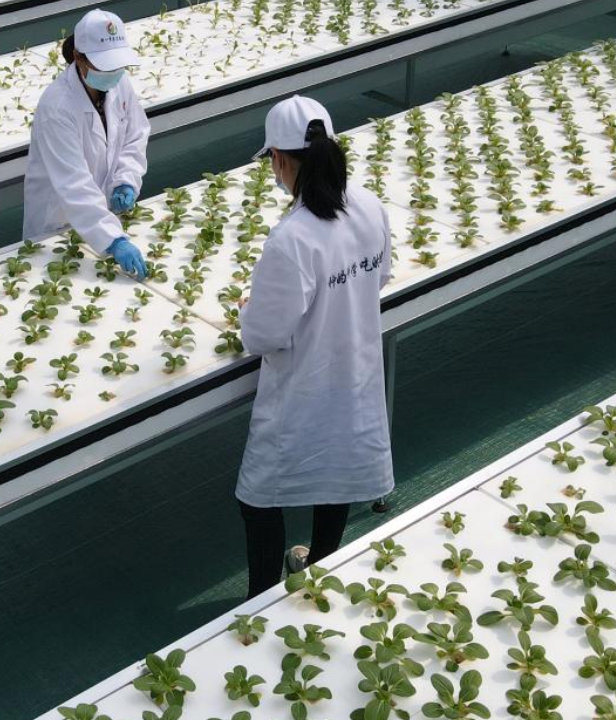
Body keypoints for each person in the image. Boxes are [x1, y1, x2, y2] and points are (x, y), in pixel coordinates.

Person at [235, 96, 395, 599]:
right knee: (338, 477)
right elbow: (381, 274)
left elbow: (262, 335)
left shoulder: (292, 238)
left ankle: (261, 597)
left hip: (302, 389)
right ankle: (317, 574)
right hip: (355, 375)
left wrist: (248, 306)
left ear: (279, 160)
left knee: (259, 500)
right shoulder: (368, 206)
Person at [23, 9, 149, 278]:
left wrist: (126, 179)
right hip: (58, 223)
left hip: (100, 214)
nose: (115, 73)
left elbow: (135, 135)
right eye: (106, 65)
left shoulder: (120, 82)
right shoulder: (57, 108)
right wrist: (114, 240)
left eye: (118, 64)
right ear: (79, 58)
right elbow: (73, 184)